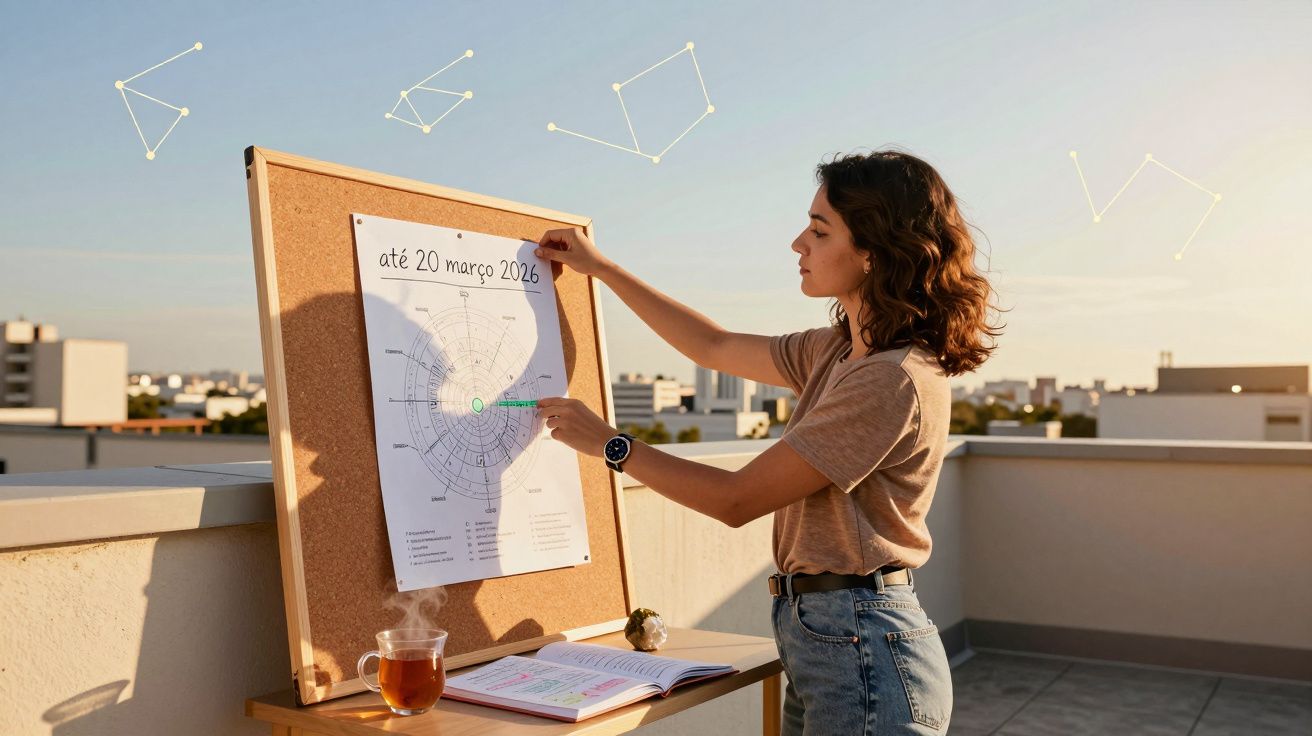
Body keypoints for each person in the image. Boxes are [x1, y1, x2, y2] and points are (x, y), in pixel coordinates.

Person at [534, 150, 1002, 734]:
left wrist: (612, 444)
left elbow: (737, 500)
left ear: (872, 252)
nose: (797, 243)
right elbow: (713, 346)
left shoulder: (889, 378)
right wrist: (600, 269)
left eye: (819, 229)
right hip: (826, 638)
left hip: (862, 647)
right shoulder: (837, 350)